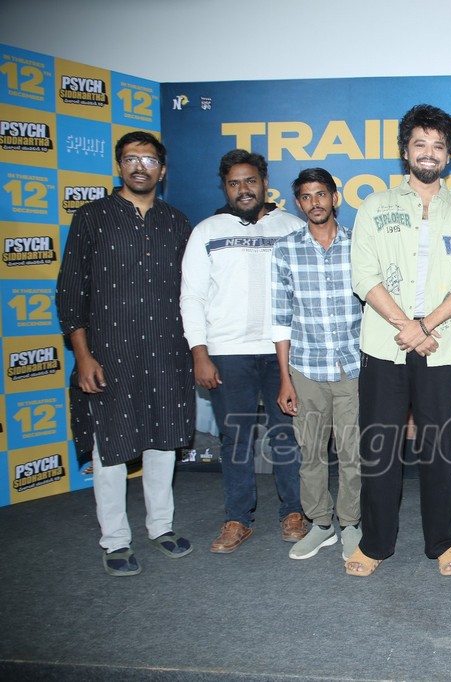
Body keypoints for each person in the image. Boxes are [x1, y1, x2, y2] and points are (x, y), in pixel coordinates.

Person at [346, 104, 451, 577]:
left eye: (438, 146)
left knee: (441, 450)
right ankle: (375, 543)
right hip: (384, 345)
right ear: (405, 151)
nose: (429, 153)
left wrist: (425, 327)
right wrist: (407, 325)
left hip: (441, 346)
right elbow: (364, 275)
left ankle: (443, 540)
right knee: (380, 450)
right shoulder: (375, 206)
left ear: (449, 155)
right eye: (420, 144)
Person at [56, 130, 195, 576]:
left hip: (167, 351)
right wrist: (83, 356)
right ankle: (115, 540)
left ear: (162, 170)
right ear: (119, 165)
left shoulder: (177, 222)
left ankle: (161, 527)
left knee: (163, 442)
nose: (140, 166)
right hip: (109, 354)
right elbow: (70, 293)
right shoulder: (91, 218)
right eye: (132, 158)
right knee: (111, 448)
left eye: (149, 160)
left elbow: (192, 293)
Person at [180, 149, 308, 553]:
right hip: (227, 351)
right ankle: (237, 518)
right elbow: (192, 296)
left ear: (265, 183)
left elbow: (307, 290)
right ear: (225, 187)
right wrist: (199, 352)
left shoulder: (292, 227)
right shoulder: (206, 231)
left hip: (283, 351)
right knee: (235, 438)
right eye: (234, 183)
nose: (243, 189)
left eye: (250, 181)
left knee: (287, 435)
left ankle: (294, 512)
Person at [270, 168, 362, 562]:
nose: (315, 203)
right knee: (311, 454)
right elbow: (280, 318)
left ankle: (352, 524)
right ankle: (322, 525)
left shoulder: (359, 244)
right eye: (306, 197)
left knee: (353, 452)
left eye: (321, 194)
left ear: (334, 197)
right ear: (298, 203)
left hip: (353, 368)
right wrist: (285, 379)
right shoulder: (285, 250)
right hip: (305, 370)